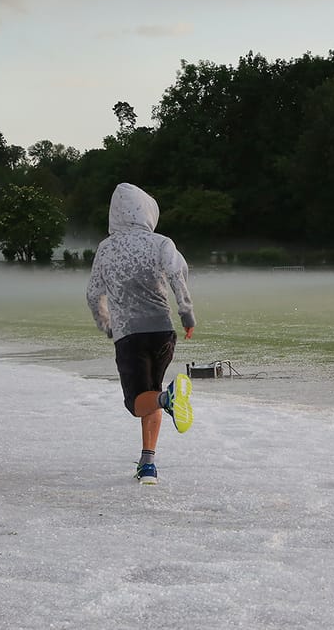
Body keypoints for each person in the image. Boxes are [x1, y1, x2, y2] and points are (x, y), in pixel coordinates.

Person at [86, 182, 196, 485]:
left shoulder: (106, 248)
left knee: (137, 402)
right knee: (152, 393)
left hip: (129, 335)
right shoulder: (162, 243)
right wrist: (187, 314)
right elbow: (178, 275)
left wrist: (106, 324)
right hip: (163, 331)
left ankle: (169, 399)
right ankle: (148, 464)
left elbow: (94, 294)